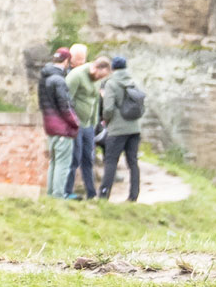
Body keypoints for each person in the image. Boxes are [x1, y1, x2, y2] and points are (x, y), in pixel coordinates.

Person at [96, 54, 147, 202]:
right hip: (135, 128)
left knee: (111, 161)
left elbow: (108, 108)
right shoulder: (132, 81)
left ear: (113, 68)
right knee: (133, 162)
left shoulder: (111, 83)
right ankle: (133, 195)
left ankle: (104, 195)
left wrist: (106, 120)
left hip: (117, 130)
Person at [38, 46, 81, 198]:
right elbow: (65, 106)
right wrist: (75, 122)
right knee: (63, 164)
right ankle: (58, 195)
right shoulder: (59, 80)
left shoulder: (43, 79)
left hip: (49, 126)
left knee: (53, 162)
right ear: (67, 61)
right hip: (62, 128)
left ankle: (50, 194)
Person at [64, 46, 102, 200]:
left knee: (88, 158)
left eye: (82, 59)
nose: (79, 62)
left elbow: (96, 101)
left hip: (88, 125)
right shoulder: (71, 75)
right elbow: (66, 100)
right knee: (74, 158)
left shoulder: (93, 76)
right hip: (74, 124)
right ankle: (67, 191)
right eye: (77, 59)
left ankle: (91, 192)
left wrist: (94, 122)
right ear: (71, 58)